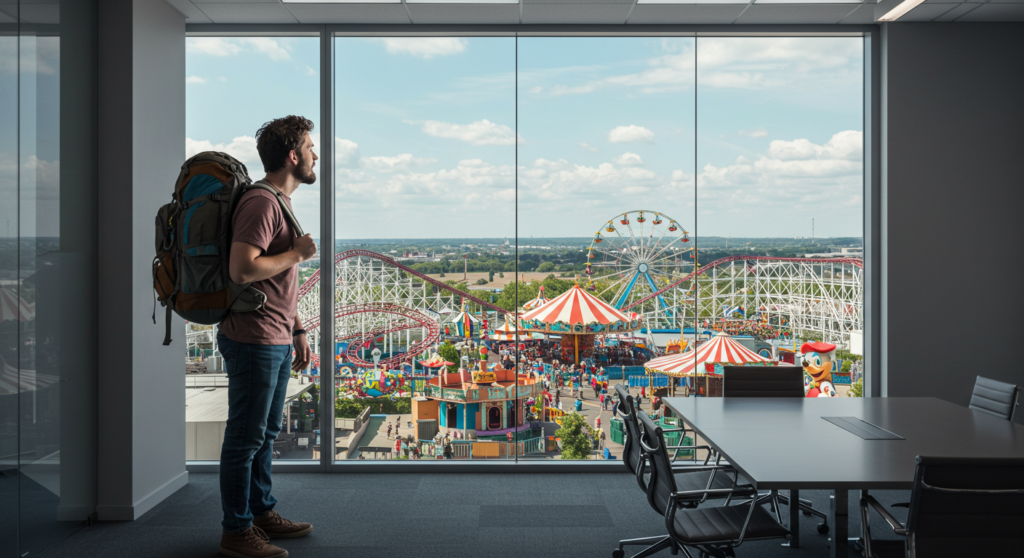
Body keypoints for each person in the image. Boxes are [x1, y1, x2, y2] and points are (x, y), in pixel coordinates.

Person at [217, 116, 317, 557]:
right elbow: (242, 269)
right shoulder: (262, 202)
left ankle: (261, 513)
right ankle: (236, 532)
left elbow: (278, 283)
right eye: (311, 148)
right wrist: (297, 251)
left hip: (275, 335)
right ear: (293, 156)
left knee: (264, 432)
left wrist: (297, 328)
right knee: (245, 437)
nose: (317, 157)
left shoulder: (281, 200)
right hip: (252, 338)